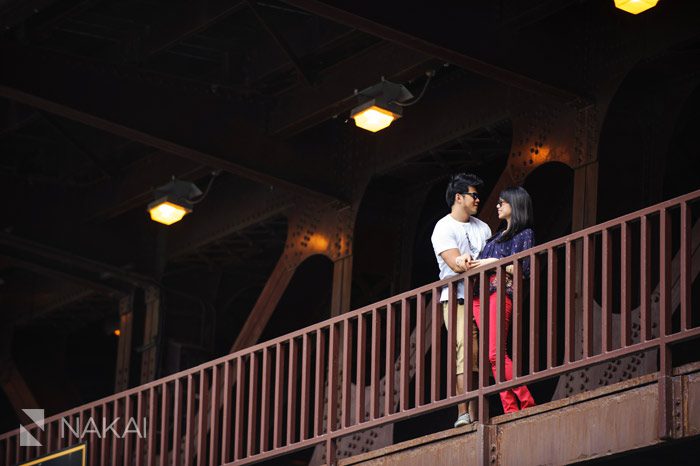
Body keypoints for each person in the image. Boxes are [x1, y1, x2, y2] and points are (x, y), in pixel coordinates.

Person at [431, 173, 492, 427]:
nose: (478, 199)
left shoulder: (483, 227)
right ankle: (463, 414)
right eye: (474, 195)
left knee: (484, 355)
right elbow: (455, 263)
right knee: (464, 351)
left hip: (484, 299)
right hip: (457, 300)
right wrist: (463, 262)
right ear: (459, 197)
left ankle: (479, 415)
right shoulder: (443, 227)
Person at [469, 186, 537, 413]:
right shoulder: (495, 237)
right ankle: (510, 408)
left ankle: (526, 402)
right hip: (480, 297)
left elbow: (524, 269)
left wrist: (492, 263)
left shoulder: (524, 234)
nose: (497, 205)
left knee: (495, 353)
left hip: (500, 293)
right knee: (491, 357)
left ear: (515, 204)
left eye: (502, 202)